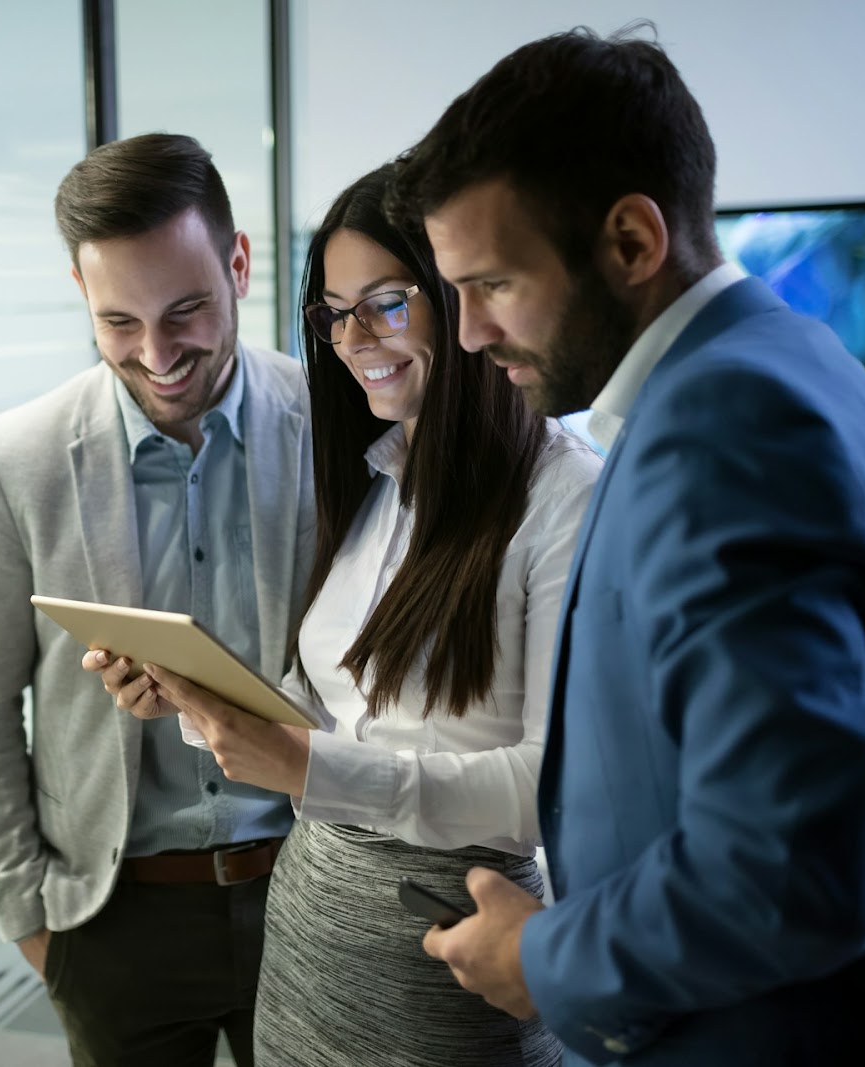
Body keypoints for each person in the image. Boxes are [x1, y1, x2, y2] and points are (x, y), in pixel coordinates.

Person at [390, 27, 865, 1067]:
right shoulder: (798, 359)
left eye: (491, 283)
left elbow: (793, 861)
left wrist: (545, 953)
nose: (465, 335)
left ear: (632, 241)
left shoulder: (723, 427)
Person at [89, 162, 600, 1066]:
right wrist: (204, 700)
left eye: (388, 302)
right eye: (332, 311)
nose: (352, 337)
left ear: (461, 297)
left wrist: (306, 765)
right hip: (311, 946)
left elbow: (548, 788)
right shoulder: (382, 476)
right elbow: (336, 706)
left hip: (451, 956)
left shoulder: (563, 495)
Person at [0, 132, 316, 1067]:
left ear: (239, 262)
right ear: (82, 292)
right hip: (111, 920)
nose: (158, 354)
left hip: (312, 889)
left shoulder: (336, 426)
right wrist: (27, 915)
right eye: (119, 323)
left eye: (186, 309)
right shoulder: (10, 461)